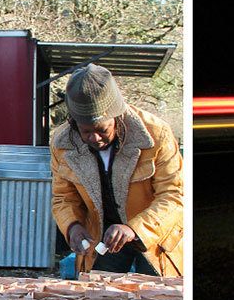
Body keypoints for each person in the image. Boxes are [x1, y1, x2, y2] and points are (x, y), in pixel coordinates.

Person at [50, 64, 184, 276]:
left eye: (102, 130)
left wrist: (134, 229)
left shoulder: (157, 135)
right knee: (99, 298)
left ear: (117, 116)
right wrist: (72, 226)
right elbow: (63, 197)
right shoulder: (62, 143)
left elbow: (175, 196)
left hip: (154, 237)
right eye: (85, 132)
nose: (94, 138)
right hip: (102, 238)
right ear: (74, 123)